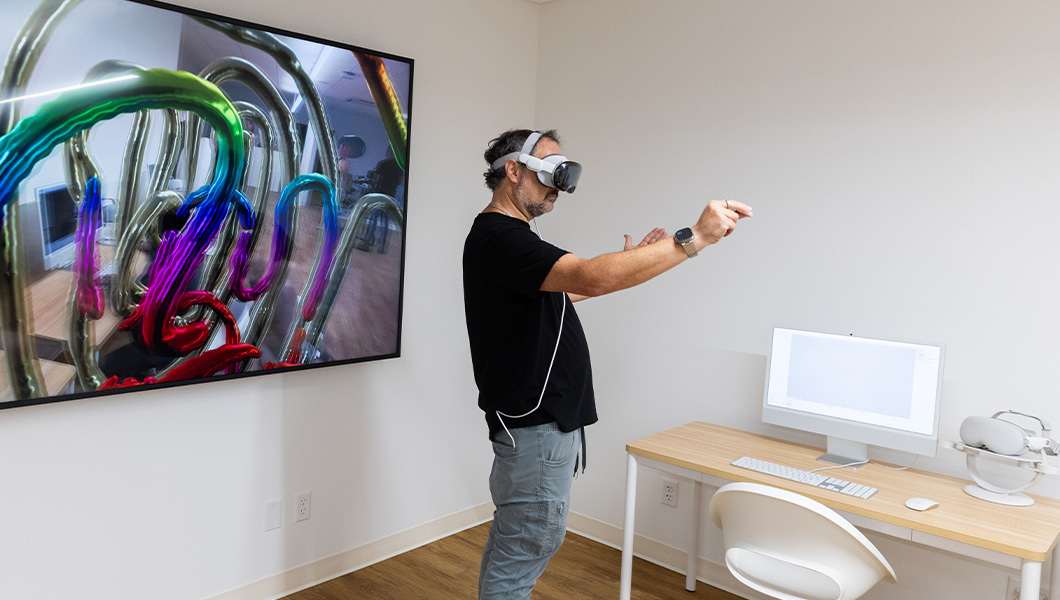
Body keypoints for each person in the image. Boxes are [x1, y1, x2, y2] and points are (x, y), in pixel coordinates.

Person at [462, 128, 753, 599]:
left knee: (517, 543)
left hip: (537, 426)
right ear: (512, 171)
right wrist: (695, 237)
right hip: (534, 425)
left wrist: (629, 261)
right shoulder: (499, 236)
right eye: (549, 171)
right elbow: (591, 279)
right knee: (527, 544)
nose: (558, 184)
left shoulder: (510, 238)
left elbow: (570, 292)